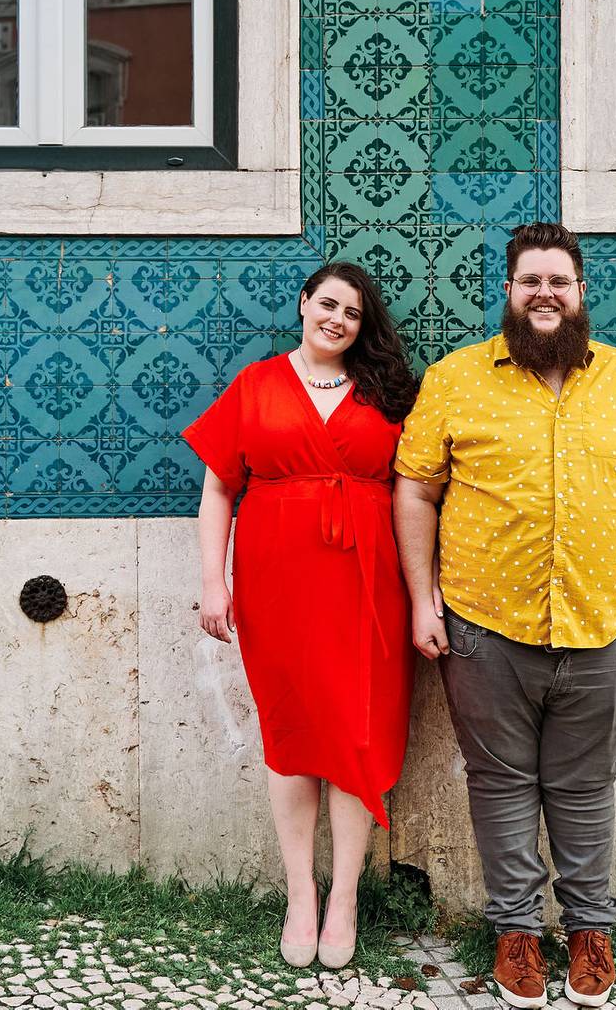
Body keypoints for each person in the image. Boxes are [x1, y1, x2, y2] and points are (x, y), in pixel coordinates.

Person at [393, 222, 616, 1009]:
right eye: (530, 281)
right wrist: (424, 600)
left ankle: (590, 930)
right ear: (508, 291)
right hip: (482, 629)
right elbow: (416, 489)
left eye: (558, 281)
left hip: (601, 628)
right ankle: (517, 932)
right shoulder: (456, 379)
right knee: (499, 785)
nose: (545, 294)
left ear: (581, 292)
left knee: (586, 786)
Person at [183, 260, 420, 970]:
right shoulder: (256, 385)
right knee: (290, 737)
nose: (338, 320)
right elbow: (219, 490)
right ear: (303, 304)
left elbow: (418, 492)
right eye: (328, 304)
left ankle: (344, 896)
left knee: (356, 734)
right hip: (277, 585)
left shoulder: (385, 394)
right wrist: (213, 583)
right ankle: (300, 896)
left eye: (352, 312)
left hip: (367, 586)